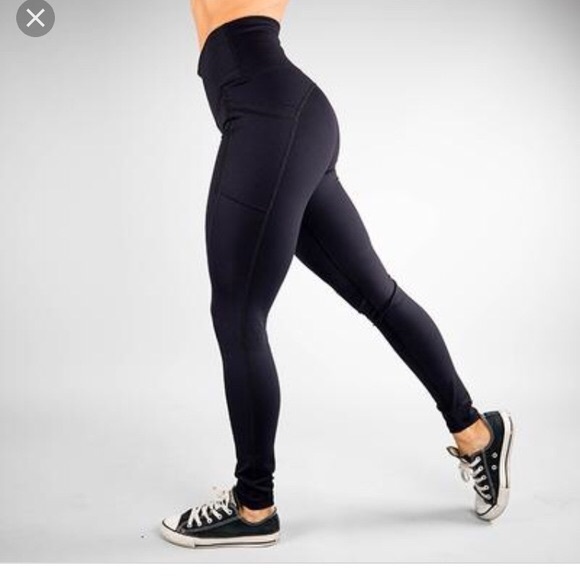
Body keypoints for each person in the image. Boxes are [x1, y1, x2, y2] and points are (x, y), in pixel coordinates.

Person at [160, 0, 515, 549]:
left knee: (238, 313)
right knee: (377, 294)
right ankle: (476, 432)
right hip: (287, 114)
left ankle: (254, 507)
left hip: (266, 113)